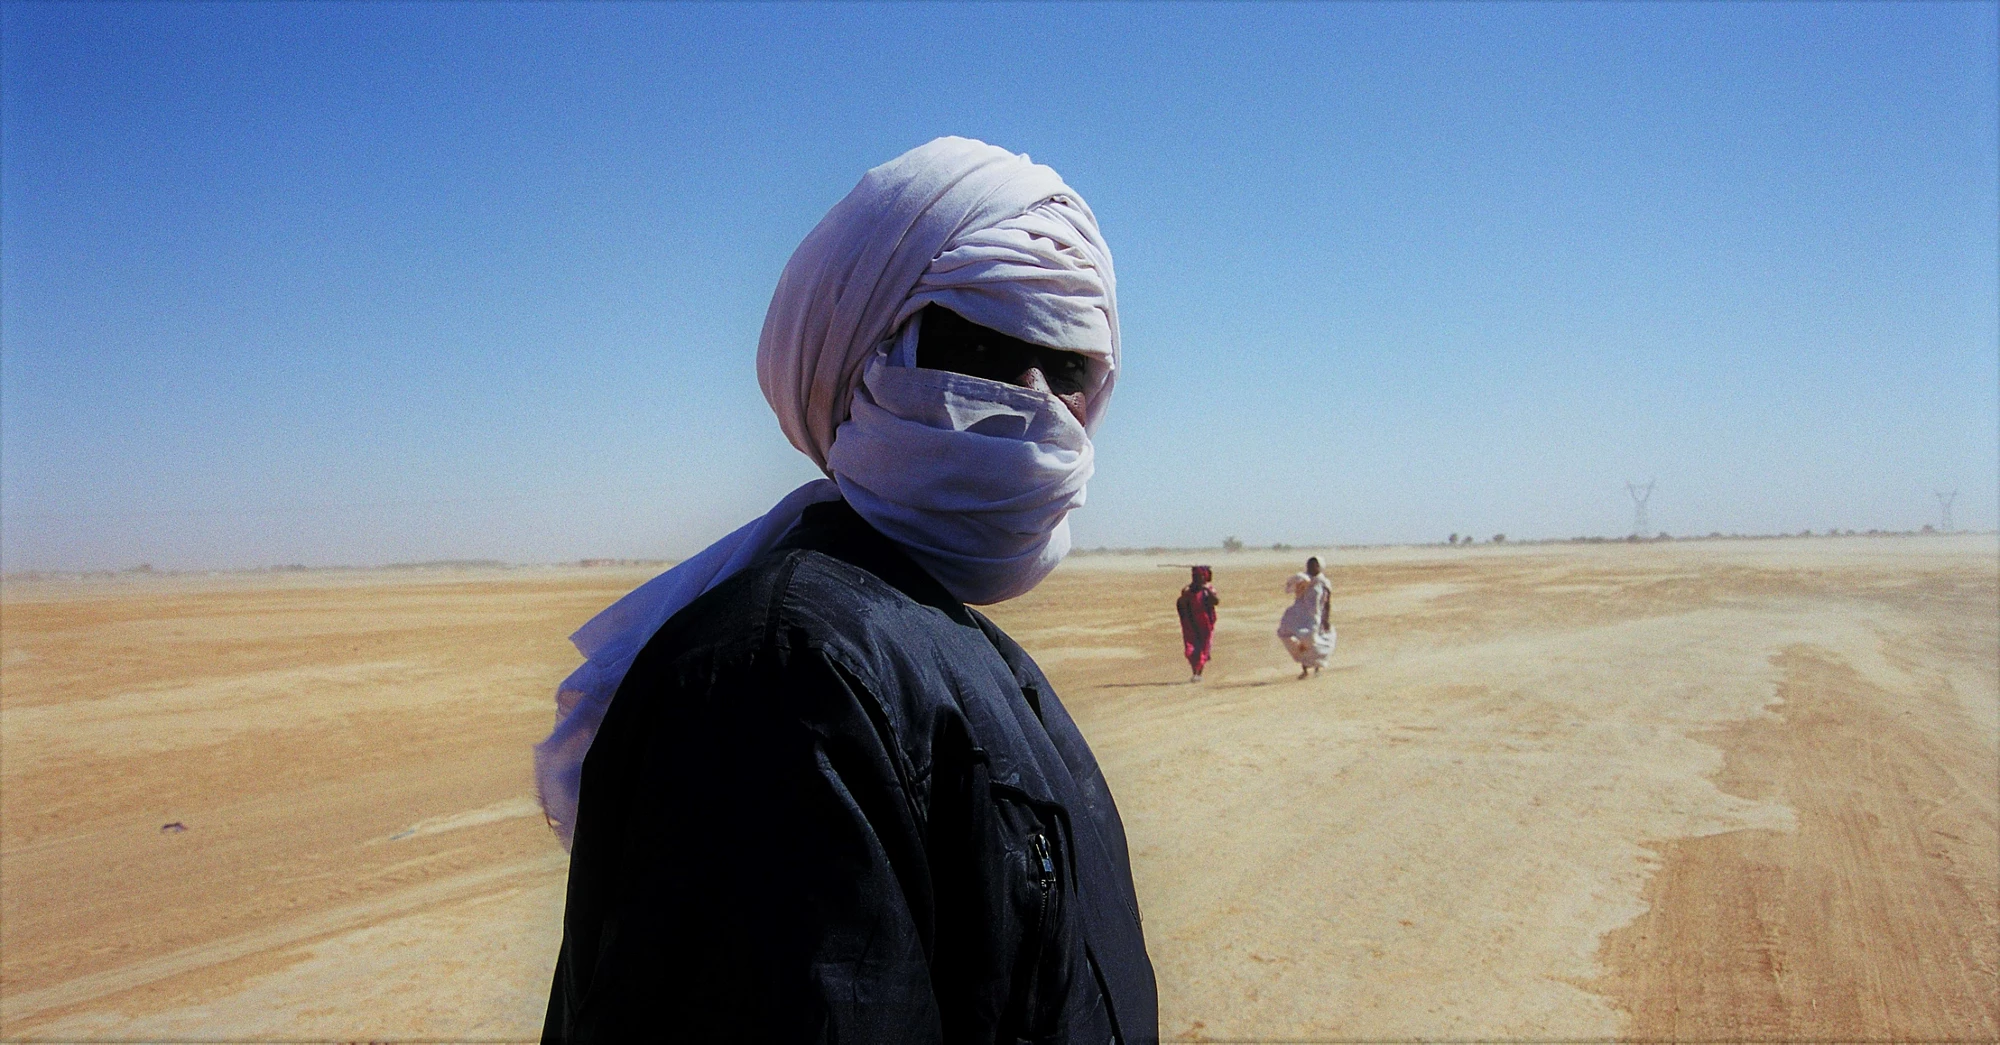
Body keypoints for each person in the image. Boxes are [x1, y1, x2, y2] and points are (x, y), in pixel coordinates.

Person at [534, 138, 1157, 1044]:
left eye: (1066, 370)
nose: (1035, 402)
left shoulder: (924, 638)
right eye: (979, 347)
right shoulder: (785, 673)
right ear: (864, 363)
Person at [1278, 556, 1335, 679]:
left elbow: (1327, 602)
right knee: (1288, 634)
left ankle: (1316, 668)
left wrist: (1326, 619)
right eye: (1309, 565)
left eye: (1314, 565)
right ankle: (1304, 669)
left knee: (1312, 641)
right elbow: (1289, 588)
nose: (1311, 567)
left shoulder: (1324, 583)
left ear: (1320, 567)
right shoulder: (1303, 580)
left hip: (1315, 617)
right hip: (1299, 614)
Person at [1175, 565, 1219, 681]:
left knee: (1203, 648)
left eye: (1199, 576)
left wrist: (1207, 590)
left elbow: (1215, 601)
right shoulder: (1188, 591)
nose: (1196, 579)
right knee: (1191, 648)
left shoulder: (1208, 590)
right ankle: (1195, 671)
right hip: (1191, 623)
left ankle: (1198, 673)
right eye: (1194, 576)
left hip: (1205, 624)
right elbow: (1181, 605)